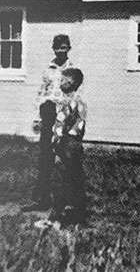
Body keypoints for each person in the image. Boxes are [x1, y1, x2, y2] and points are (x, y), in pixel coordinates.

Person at [26, 34, 75, 212]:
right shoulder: (49, 69)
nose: (61, 51)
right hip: (47, 113)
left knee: (64, 159)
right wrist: (37, 118)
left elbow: (76, 95)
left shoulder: (73, 70)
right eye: (58, 48)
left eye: (64, 47)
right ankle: (42, 199)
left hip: (64, 116)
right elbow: (41, 93)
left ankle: (66, 202)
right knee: (45, 158)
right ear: (53, 49)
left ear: (69, 49)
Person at [49, 67, 87, 226]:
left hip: (66, 144)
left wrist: (57, 143)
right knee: (74, 178)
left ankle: (59, 215)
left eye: (64, 80)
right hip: (75, 144)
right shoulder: (80, 103)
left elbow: (62, 126)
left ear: (71, 83)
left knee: (61, 178)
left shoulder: (70, 103)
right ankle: (77, 213)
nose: (60, 83)